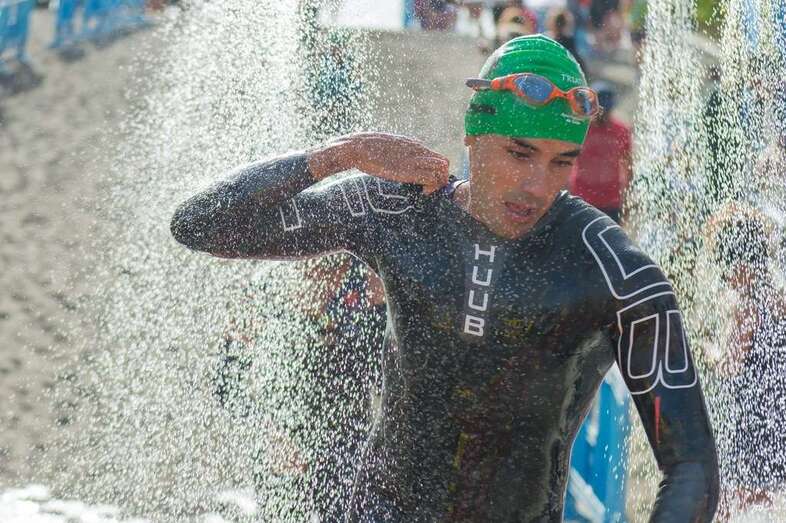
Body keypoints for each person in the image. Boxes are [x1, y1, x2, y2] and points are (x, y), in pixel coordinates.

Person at [171, 35, 719, 520]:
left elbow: (691, 465)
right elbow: (199, 225)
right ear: (472, 136)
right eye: (518, 153)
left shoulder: (613, 270)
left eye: (560, 162)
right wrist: (340, 155)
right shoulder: (398, 211)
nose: (535, 185)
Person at [706, 205, 786, 518]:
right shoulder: (778, 298)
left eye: (726, 269)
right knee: (765, 500)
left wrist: (708, 349)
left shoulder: (747, 307)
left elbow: (730, 365)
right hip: (777, 416)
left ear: (742, 265)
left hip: (750, 423)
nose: (725, 279)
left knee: (728, 501)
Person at [568, 81, 632, 223]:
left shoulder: (621, 131)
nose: (602, 114)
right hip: (582, 197)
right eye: (599, 110)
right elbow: (565, 159)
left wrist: (628, 199)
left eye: (606, 110)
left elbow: (629, 166)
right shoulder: (580, 129)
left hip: (611, 199)